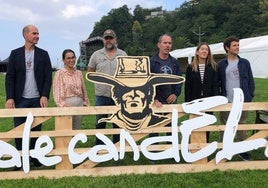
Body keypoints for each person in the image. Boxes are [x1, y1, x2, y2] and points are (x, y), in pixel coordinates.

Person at [5, 24, 52, 168]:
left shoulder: (43, 54)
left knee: (36, 131)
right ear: (25, 35)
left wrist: (44, 95)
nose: (37, 36)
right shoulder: (15, 54)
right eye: (34, 33)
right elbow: (10, 77)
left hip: (37, 99)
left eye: (38, 33)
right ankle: (19, 159)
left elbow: (47, 77)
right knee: (19, 130)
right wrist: (10, 97)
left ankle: (35, 157)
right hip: (20, 100)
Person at [218, 36, 255, 161]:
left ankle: (242, 151)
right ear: (227, 48)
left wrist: (250, 95)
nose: (237, 47)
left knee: (242, 125)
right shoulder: (221, 65)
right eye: (234, 45)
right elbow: (218, 82)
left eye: (238, 45)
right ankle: (223, 149)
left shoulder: (245, 63)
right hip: (226, 100)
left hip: (243, 100)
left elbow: (250, 80)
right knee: (225, 125)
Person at [87, 29, 127, 144]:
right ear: (103, 40)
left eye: (111, 38)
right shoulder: (96, 55)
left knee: (118, 124)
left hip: (119, 96)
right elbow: (90, 71)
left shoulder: (123, 54)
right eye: (106, 38)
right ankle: (99, 148)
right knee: (100, 123)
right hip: (101, 96)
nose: (108, 40)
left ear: (115, 39)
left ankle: (118, 148)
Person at [184, 42, 219, 142]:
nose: (204, 51)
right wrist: (188, 102)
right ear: (197, 52)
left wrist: (216, 99)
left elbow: (216, 84)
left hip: (209, 101)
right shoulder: (190, 67)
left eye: (206, 49)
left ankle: (205, 146)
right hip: (195, 101)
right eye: (202, 49)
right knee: (194, 124)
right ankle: (193, 147)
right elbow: (188, 86)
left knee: (206, 125)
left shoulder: (213, 67)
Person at [150, 34, 183, 137]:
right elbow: (148, 82)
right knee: (155, 127)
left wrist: (175, 94)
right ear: (159, 45)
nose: (167, 45)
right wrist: (153, 99)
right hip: (157, 101)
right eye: (165, 43)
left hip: (171, 100)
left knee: (171, 127)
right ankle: (153, 150)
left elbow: (179, 79)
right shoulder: (152, 62)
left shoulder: (174, 62)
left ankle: (170, 150)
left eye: (169, 43)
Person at [53, 49, 89, 130]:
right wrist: (61, 104)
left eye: (73, 57)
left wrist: (85, 102)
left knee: (76, 130)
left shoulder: (79, 73)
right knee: (66, 130)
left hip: (79, 104)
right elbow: (56, 91)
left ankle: (74, 143)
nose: (71, 60)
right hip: (66, 105)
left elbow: (83, 89)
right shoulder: (59, 73)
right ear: (63, 60)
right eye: (68, 58)